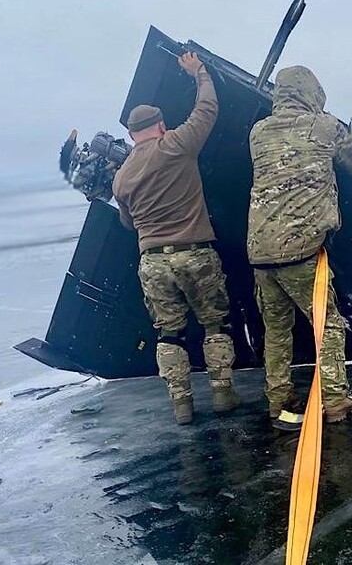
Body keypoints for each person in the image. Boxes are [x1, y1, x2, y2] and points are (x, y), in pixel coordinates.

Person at [112, 52, 239, 425]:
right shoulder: (176, 144)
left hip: (152, 262)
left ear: (132, 135)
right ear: (161, 125)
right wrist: (198, 72)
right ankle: (222, 394)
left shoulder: (121, 177)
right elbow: (207, 110)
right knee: (215, 325)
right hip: (195, 255)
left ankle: (182, 406)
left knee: (169, 334)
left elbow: (128, 224)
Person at [247, 65, 352, 424]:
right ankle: (334, 400)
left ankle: (277, 399)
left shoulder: (258, 133)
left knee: (277, 331)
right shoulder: (325, 127)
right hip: (301, 250)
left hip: (261, 252)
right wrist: (351, 134)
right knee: (327, 324)